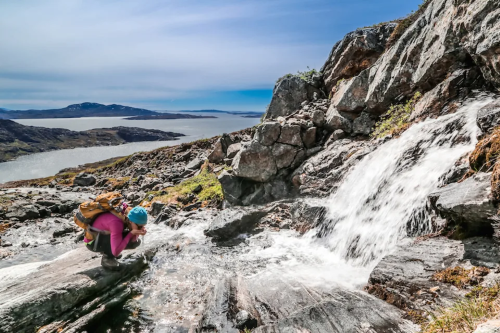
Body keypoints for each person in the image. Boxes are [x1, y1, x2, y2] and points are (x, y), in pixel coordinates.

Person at [84, 205, 148, 270]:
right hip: (92, 243)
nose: (141, 228)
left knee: (136, 242)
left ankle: (109, 251)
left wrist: (137, 232)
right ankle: (107, 259)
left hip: (101, 236)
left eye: (143, 226)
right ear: (131, 221)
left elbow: (134, 240)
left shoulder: (128, 215)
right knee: (120, 246)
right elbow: (116, 252)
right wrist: (131, 233)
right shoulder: (116, 223)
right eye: (139, 226)